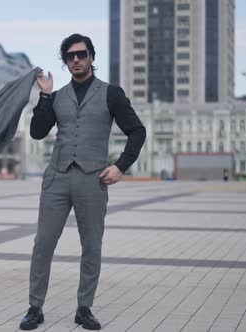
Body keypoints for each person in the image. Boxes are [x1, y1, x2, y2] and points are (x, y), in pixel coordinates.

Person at [20, 33, 146, 330]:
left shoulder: (111, 93)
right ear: (65, 62)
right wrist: (45, 95)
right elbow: (37, 132)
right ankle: (35, 308)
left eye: (81, 54)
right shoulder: (58, 95)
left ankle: (84, 308)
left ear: (92, 56)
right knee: (43, 243)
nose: (76, 59)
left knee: (91, 246)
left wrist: (120, 166)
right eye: (70, 56)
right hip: (57, 178)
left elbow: (137, 131)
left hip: (93, 180)